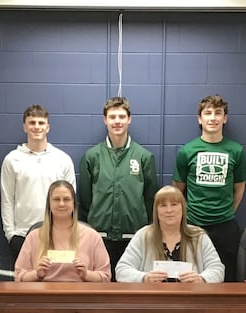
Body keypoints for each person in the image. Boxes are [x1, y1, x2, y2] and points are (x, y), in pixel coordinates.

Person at [79, 96, 158, 280]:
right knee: (101, 287)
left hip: (134, 237)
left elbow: (150, 198)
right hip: (99, 236)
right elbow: (85, 199)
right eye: (112, 117)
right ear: (104, 120)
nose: (117, 121)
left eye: (121, 117)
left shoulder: (144, 157)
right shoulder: (91, 156)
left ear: (129, 119)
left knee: (130, 288)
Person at [172, 95, 246, 282]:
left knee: (226, 277)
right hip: (193, 224)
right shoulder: (187, 151)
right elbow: (177, 190)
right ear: (200, 119)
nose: (213, 118)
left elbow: (239, 188)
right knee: (190, 276)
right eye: (208, 113)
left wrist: (227, 211)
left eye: (218, 113)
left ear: (224, 118)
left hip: (225, 225)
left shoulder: (236, 150)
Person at [1, 105, 75, 265]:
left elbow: (71, 201)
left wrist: (69, 231)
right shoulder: (12, 160)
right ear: (25, 127)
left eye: (41, 123)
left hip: (56, 234)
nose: (36, 127)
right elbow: (7, 200)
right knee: (26, 279)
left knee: (56, 278)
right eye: (32, 122)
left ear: (48, 127)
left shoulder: (62, 159)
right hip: (23, 235)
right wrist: (11, 235)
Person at [116, 186, 224, 283]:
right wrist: (144, 278)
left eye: (174, 204)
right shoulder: (143, 236)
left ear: (183, 208)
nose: (169, 210)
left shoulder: (198, 236)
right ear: (156, 211)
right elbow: (122, 270)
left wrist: (201, 279)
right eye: (163, 205)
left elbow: (218, 270)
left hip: (190, 297)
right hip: (153, 297)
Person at [15, 180, 111, 282]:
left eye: (66, 199)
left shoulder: (92, 237)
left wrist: (87, 275)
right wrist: (36, 274)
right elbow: (19, 276)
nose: (61, 204)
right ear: (49, 204)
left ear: (74, 204)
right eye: (56, 199)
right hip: (44, 291)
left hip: (80, 291)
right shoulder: (33, 237)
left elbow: (106, 277)